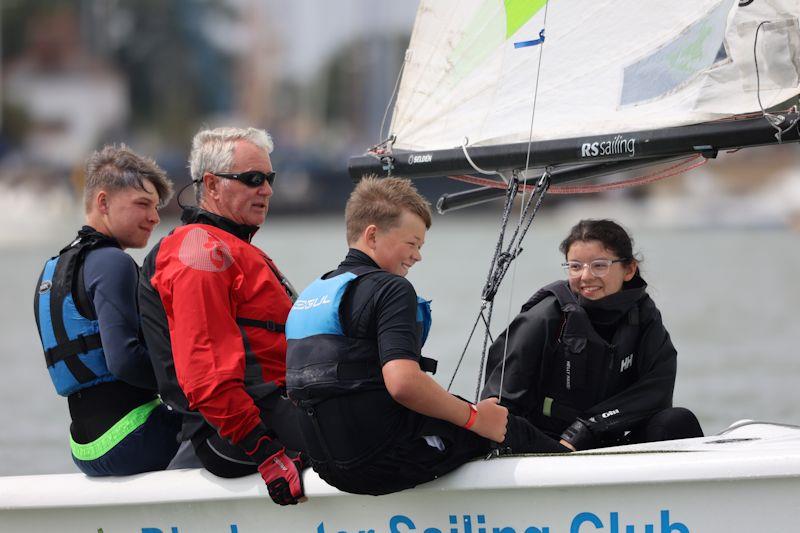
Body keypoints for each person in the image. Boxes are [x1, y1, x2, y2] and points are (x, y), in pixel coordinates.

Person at [285, 176, 566, 497]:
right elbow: (403, 384)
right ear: (372, 235)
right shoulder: (391, 288)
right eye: (412, 244)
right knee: (509, 427)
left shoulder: (311, 294)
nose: (418, 256)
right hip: (379, 461)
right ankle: (580, 482)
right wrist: (476, 419)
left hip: (327, 468)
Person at [138, 127, 306, 506]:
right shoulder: (200, 250)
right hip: (239, 436)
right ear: (212, 185)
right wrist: (266, 453)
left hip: (273, 414)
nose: (267, 190)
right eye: (252, 179)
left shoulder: (229, 247)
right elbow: (207, 372)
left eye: (269, 178)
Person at [481, 219, 703, 451]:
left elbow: (658, 389)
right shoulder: (544, 318)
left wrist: (586, 428)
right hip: (547, 446)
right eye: (575, 266)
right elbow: (498, 403)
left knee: (677, 421)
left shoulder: (643, 314)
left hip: (602, 437)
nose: (585, 276)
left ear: (629, 269)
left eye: (599, 265)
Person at [33, 144, 179, 476]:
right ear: (103, 203)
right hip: (131, 437)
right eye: (142, 204)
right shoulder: (112, 262)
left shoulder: (51, 270)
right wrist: (189, 385)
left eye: (156, 207)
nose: (154, 217)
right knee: (235, 428)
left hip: (83, 448)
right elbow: (124, 360)